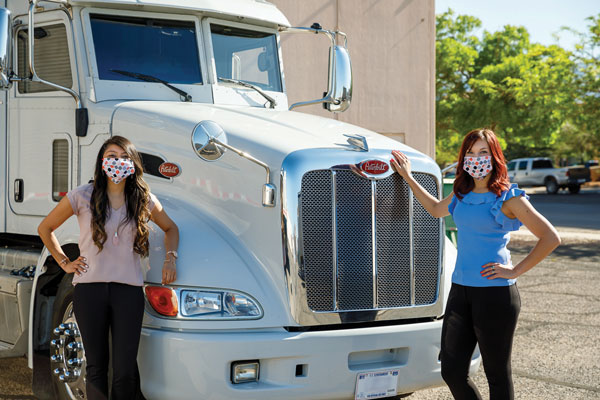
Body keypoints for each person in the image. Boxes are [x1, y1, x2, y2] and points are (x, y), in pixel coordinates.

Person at [390, 129, 560, 400]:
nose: (476, 158)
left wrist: (515, 271)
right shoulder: (461, 194)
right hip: (460, 292)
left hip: (495, 295)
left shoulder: (509, 198)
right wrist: (408, 177)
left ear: (494, 157)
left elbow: (550, 237)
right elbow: (435, 209)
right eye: (470, 153)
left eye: (483, 152)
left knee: (496, 374)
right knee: (452, 370)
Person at [38, 136, 179, 400]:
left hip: (128, 293)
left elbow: (171, 228)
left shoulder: (143, 199)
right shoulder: (82, 196)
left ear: (133, 164)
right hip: (89, 291)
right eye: (112, 156)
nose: (118, 162)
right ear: (103, 162)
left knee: (125, 370)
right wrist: (64, 262)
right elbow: (45, 228)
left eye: (124, 157)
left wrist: (170, 258)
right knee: (95, 368)